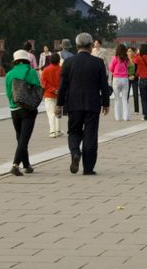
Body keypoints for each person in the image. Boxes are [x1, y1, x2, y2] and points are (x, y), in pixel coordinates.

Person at [57, 33, 111, 175]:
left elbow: (62, 85)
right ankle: (88, 168)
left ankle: (75, 152)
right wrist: (106, 103)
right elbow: (104, 85)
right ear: (91, 45)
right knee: (90, 135)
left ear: (77, 46)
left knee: (74, 131)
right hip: (92, 104)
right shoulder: (97, 62)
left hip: (73, 104)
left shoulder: (68, 63)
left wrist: (59, 104)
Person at [5, 49, 41, 176]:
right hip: (28, 109)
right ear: (27, 60)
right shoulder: (30, 72)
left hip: (14, 109)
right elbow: (37, 88)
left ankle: (26, 164)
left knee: (20, 137)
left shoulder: (9, 74)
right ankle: (15, 165)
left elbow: (8, 93)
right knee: (24, 138)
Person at [41, 52, 63, 137]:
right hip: (60, 94)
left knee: (51, 113)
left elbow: (43, 82)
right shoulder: (61, 69)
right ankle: (58, 130)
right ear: (58, 60)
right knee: (58, 112)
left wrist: (52, 90)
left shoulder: (46, 70)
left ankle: (52, 131)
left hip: (49, 94)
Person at [109, 44, 132, 121]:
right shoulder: (126, 59)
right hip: (125, 79)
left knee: (117, 99)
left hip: (116, 79)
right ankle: (126, 117)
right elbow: (129, 67)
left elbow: (111, 68)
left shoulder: (114, 58)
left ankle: (118, 117)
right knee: (125, 99)